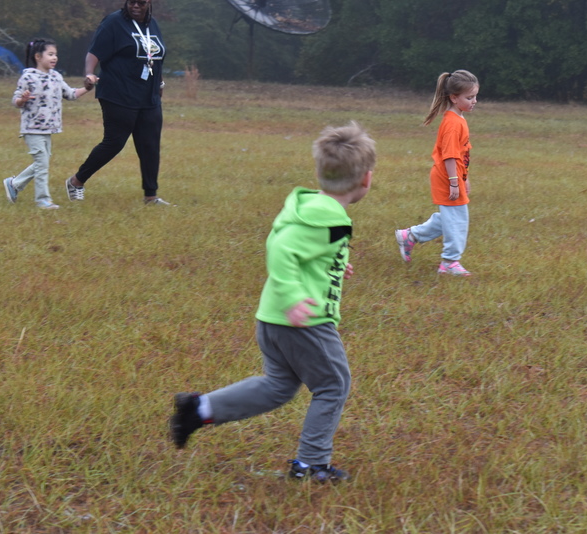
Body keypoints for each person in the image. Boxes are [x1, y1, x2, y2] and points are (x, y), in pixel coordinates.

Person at [169, 122, 376, 483]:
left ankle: (198, 409)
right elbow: (280, 249)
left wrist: (334, 266)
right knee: (333, 385)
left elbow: (299, 251)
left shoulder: (309, 207)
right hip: (304, 322)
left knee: (278, 386)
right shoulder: (326, 218)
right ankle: (311, 465)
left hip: (274, 318)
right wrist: (296, 297)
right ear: (366, 180)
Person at [65, 0, 170, 205]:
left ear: (149, 3)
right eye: (132, 2)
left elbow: (156, 57)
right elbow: (94, 52)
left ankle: (151, 196)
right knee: (114, 143)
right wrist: (89, 74)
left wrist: (160, 82)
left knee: (150, 145)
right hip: (118, 93)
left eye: (141, 2)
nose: (136, 6)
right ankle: (76, 181)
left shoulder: (152, 24)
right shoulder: (113, 22)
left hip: (148, 96)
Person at [395, 70, 479, 276]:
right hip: (446, 177)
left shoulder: (458, 119)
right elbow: (449, 157)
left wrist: (463, 179)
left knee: (450, 218)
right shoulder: (452, 124)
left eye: (475, 96)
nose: (474, 101)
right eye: (469, 97)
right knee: (458, 220)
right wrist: (453, 182)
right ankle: (449, 262)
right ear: (454, 97)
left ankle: (410, 236)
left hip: (453, 177)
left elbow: (461, 155)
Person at [3, 39, 91, 209]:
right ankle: (43, 199)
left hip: (48, 129)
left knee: (42, 163)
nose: (54, 58)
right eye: (50, 54)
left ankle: (14, 184)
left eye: (55, 54)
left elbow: (71, 94)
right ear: (38, 56)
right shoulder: (28, 77)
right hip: (32, 129)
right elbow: (15, 100)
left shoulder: (56, 77)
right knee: (42, 164)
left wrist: (88, 88)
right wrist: (23, 99)